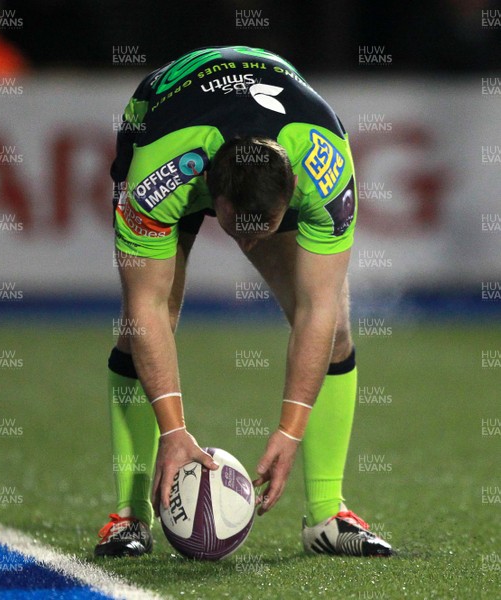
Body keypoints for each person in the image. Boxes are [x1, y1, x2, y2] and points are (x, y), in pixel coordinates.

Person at [95, 46, 392, 558]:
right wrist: (175, 430)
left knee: (336, 325)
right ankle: (129, 518)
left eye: (264, 230)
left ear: (293, 192)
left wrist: (290, 429)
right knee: (148, 316)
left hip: (273, 131)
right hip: (161, 114)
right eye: (238, 229)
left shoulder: (326, 167)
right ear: (212, 193)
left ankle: (327, 515)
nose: (248, 244)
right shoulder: (160, 174)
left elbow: (316, 311)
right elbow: (145, 312)